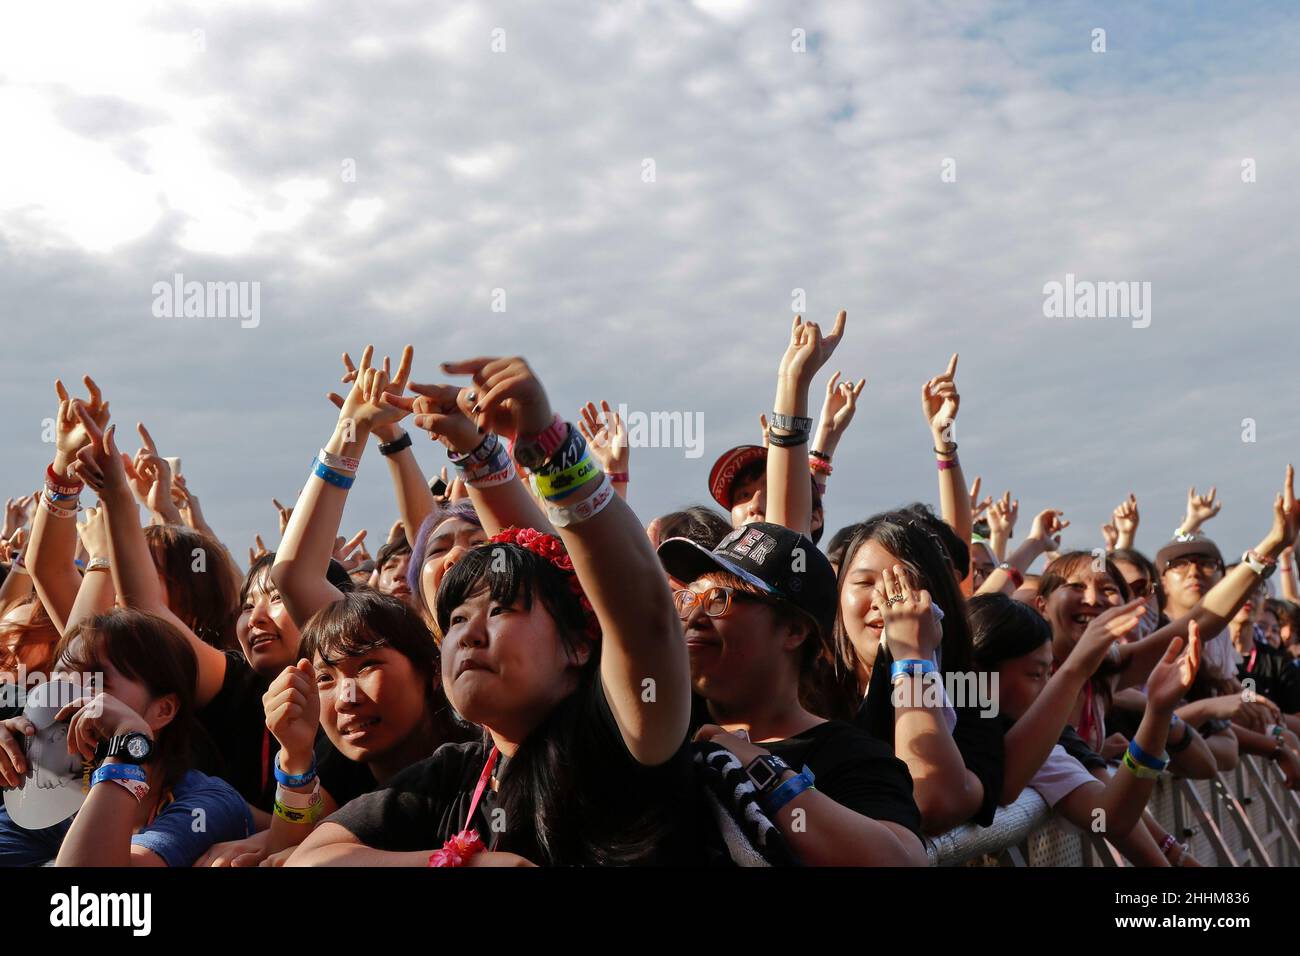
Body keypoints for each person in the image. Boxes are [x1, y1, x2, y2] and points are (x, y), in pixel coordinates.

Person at [289, 354, 699, 866]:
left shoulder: (626, 737)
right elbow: (309, 860)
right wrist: (470, 864)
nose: (469, 635)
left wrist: (551, 448)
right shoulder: (451, 777)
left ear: (578, 642)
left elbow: (641, 614)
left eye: (502, 610)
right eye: (457, 619)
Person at [659, 521, 927, 865]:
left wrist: (760, 769)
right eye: (689, 598)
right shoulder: (659, 732)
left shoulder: (850, 756)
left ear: (794, 630)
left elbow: (903, 860)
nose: (695, 616)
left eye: (719, 599)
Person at [0, 609, 251, 866]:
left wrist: (129, 746)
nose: (66, 699)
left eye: (96, 682)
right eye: (60, 681)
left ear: (162, 710)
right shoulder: (48, 795)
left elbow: (92, 902)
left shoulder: (207, 805)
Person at [969, 593, 1202, 849]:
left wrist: (1158, 713)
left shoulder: (1046, 744)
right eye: (1035, 675)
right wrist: (1076, 669)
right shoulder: (937, 714)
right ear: (978, 673)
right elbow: (1002, 786)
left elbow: (1108, 817)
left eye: (1050, 674)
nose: (1048, 688)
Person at [830, 509, 1005, 833]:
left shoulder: (970, 689)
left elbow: (931, 804)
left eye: (905, 584)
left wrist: (913, 659)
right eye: (865, 582)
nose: (885, 601)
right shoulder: (813, 682)